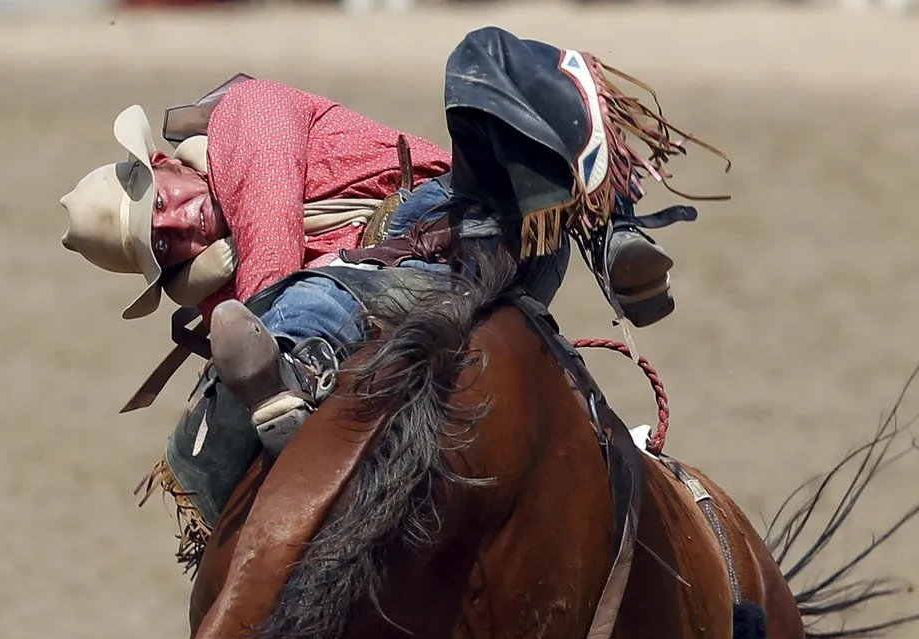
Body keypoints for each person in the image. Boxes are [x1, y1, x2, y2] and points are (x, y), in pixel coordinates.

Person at [60, 26, 724, 462]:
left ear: (163, 162)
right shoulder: (223, 309)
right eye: (162, 245)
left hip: (470, 223)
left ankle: (613, 232)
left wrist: (241, 308)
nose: (178, 226)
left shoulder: (245, 116)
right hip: (418, 298)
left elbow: (270, 236)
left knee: (482, 59)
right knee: (316, 303)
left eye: (162, 204)